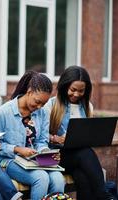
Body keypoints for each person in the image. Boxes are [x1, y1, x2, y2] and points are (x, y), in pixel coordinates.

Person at [44, 65, 114, 200]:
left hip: (77, 160)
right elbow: (39, 135)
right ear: (65, 86)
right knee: (85, 152)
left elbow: (88, 134)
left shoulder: (87, 106)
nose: (76, 94)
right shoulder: (51, 105)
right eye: (73, 90)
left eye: (81, 91)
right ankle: (104, 195)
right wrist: (55, 138)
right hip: (55, 157)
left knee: (83, 178)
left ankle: (102, 194)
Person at [0, 71, 65, 200]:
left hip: (35, 161)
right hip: (9, 160)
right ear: (29, 91)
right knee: (41, 178)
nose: (39, 107)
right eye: (37, 102)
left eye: (43, 104)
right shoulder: (3, 113)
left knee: (58, 179)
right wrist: (17, 149)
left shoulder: (42, 113)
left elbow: (42, 141)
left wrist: (48, 154)